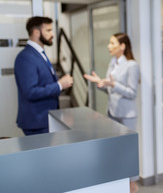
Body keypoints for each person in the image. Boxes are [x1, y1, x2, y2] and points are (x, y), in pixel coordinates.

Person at [84, 32, 140, 193]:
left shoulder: (132, 65)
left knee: (128, 152)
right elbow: (111, 90)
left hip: (126, 115)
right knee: (115, 151)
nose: (109, 46)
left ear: (122, 46)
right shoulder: (112, 63)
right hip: (112, 113)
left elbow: (132, 93)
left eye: (112, 43)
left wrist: (113, 84)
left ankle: (132, 185)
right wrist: (101, 83)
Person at [14, 16, 73, 136]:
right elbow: (30, 92)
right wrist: (59, 85)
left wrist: (60, 84)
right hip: (36, 122)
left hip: (46, 119)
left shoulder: (40, 54)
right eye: (48, 30)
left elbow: (44, 83)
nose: (52, 34)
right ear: (36, 32)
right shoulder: (26, 57)